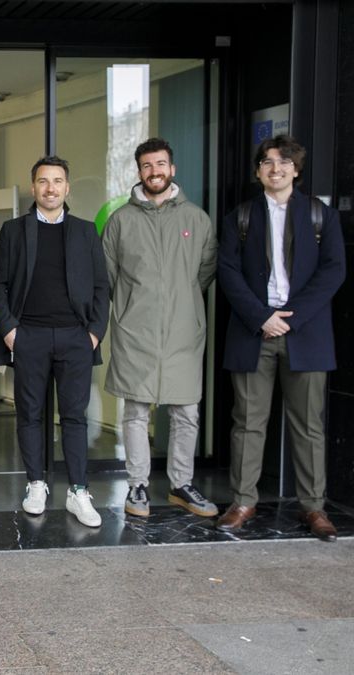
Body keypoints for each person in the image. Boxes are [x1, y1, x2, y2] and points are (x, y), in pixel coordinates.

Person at [216, 135, 346, 540]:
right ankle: (243, 501)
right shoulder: (240, 217)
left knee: (308, 425)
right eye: (268, 162)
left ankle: (314, 507)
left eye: (284, 161)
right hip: (253, 332)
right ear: (258, 171)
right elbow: (227, 272)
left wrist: (291, 318)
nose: (276, 168)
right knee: (247, 423)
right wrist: (262, 317)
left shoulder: (321, 215)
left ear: (296, 169)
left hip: (305, 333)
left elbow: (334, 270)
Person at [0, 157, 109, 527]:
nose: (50, 188)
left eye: (57, 181)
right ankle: (36, 484)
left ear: (67, 188)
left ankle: (78, 491)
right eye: (43, 181)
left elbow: (101, 286)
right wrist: (9, 330)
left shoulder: (85, 231)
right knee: (30, 414)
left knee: (74, 416)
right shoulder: (13, 231)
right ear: (33, 187)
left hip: (75, 337)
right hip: (29, 336)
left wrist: (93, 334)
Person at [102, 138, 218, 519]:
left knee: (186, 411)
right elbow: (108, 277)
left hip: (183, 332)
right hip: (136, 331)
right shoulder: (121, 221)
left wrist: (183, 305)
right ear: (139, 172)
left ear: (172, 169)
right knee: (136, 411)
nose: (155, 171)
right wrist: (132, 310)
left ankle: (181, 484)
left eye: (161, 164)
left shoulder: (196, 219)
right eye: (148, 165)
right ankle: (137, 485)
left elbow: (205, 271)